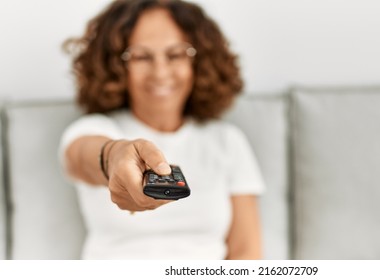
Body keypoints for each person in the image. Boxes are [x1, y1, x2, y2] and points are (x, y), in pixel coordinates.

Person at [60, 0, 265, 260]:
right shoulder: (94, 128)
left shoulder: (227, 140)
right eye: (142, 56)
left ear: (199, 62)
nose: (160, 71)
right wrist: (115, 156)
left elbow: (246, 253)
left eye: (176, 54)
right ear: (117, 66)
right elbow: (81, 157)